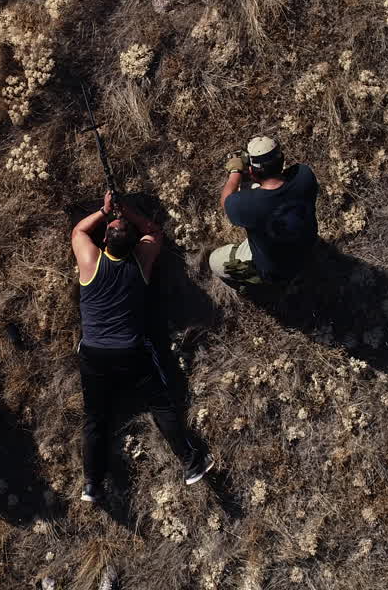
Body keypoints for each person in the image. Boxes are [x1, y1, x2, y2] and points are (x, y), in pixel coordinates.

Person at [71, 191, 213, 503]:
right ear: (134, 242)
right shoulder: (141, 261)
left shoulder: (90, 260)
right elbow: (155, 232)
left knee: (96, 418)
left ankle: (92, 484)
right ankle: (191, 463)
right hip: (131, 351)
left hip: (94, 354)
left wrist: (104, 211)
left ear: (105, 240)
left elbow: (79, 231)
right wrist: (130, 213)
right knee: (160, 404)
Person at [210, 136, 319, 285]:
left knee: (214, 260)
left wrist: (235, 172)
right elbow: (285, 178)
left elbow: (226, 201)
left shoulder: (246, 205)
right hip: (308, 250)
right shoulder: (305, 176)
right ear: (282, 162)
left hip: (276, 272)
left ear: (252, 173)